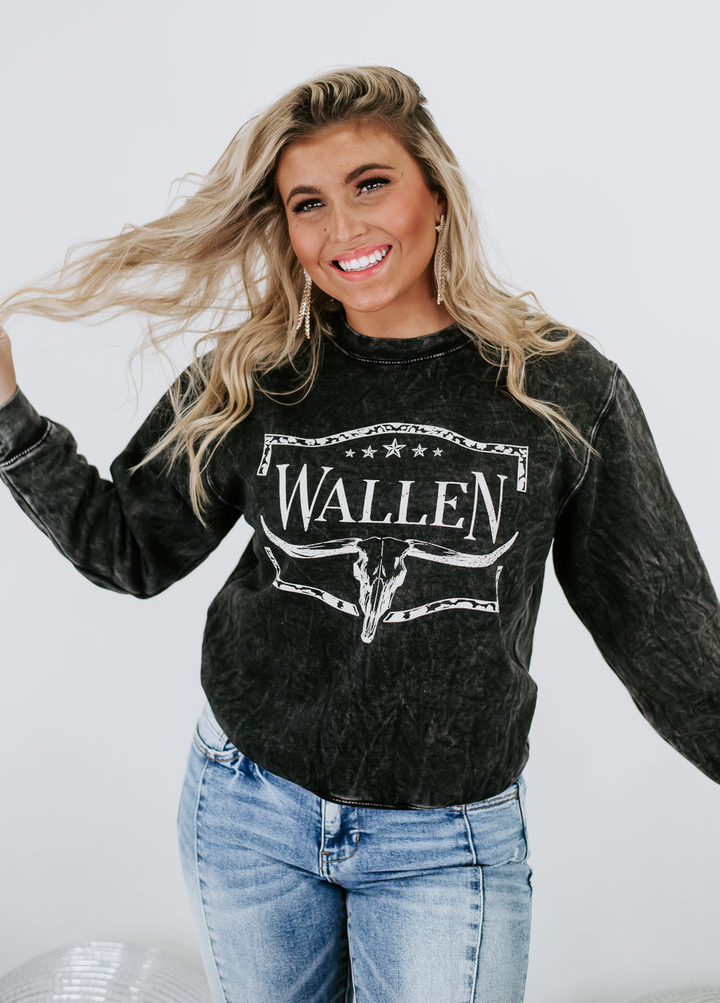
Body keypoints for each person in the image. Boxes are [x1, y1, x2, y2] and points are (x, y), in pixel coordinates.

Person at [0, 66, 718, 1003]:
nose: (342, 229)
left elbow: (663, 629)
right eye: (309, 203)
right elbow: (128, 549)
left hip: (445, 841)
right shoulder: (256, 373)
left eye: (370, 184)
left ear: (436, 192)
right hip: (248, 811)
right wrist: (7, 414)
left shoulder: (559, 388)